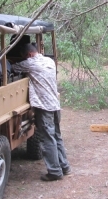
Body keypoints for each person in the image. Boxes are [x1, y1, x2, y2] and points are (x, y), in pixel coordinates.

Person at [12, 43, 70, 181]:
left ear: (29, 55)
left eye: (25, 57)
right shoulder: (49, 61)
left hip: (44, 108)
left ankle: (55, 171)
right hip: (55, 104)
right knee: (57, 136)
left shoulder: (30, 63)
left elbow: (13, 68)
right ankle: (64, 166)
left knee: (47, 139)